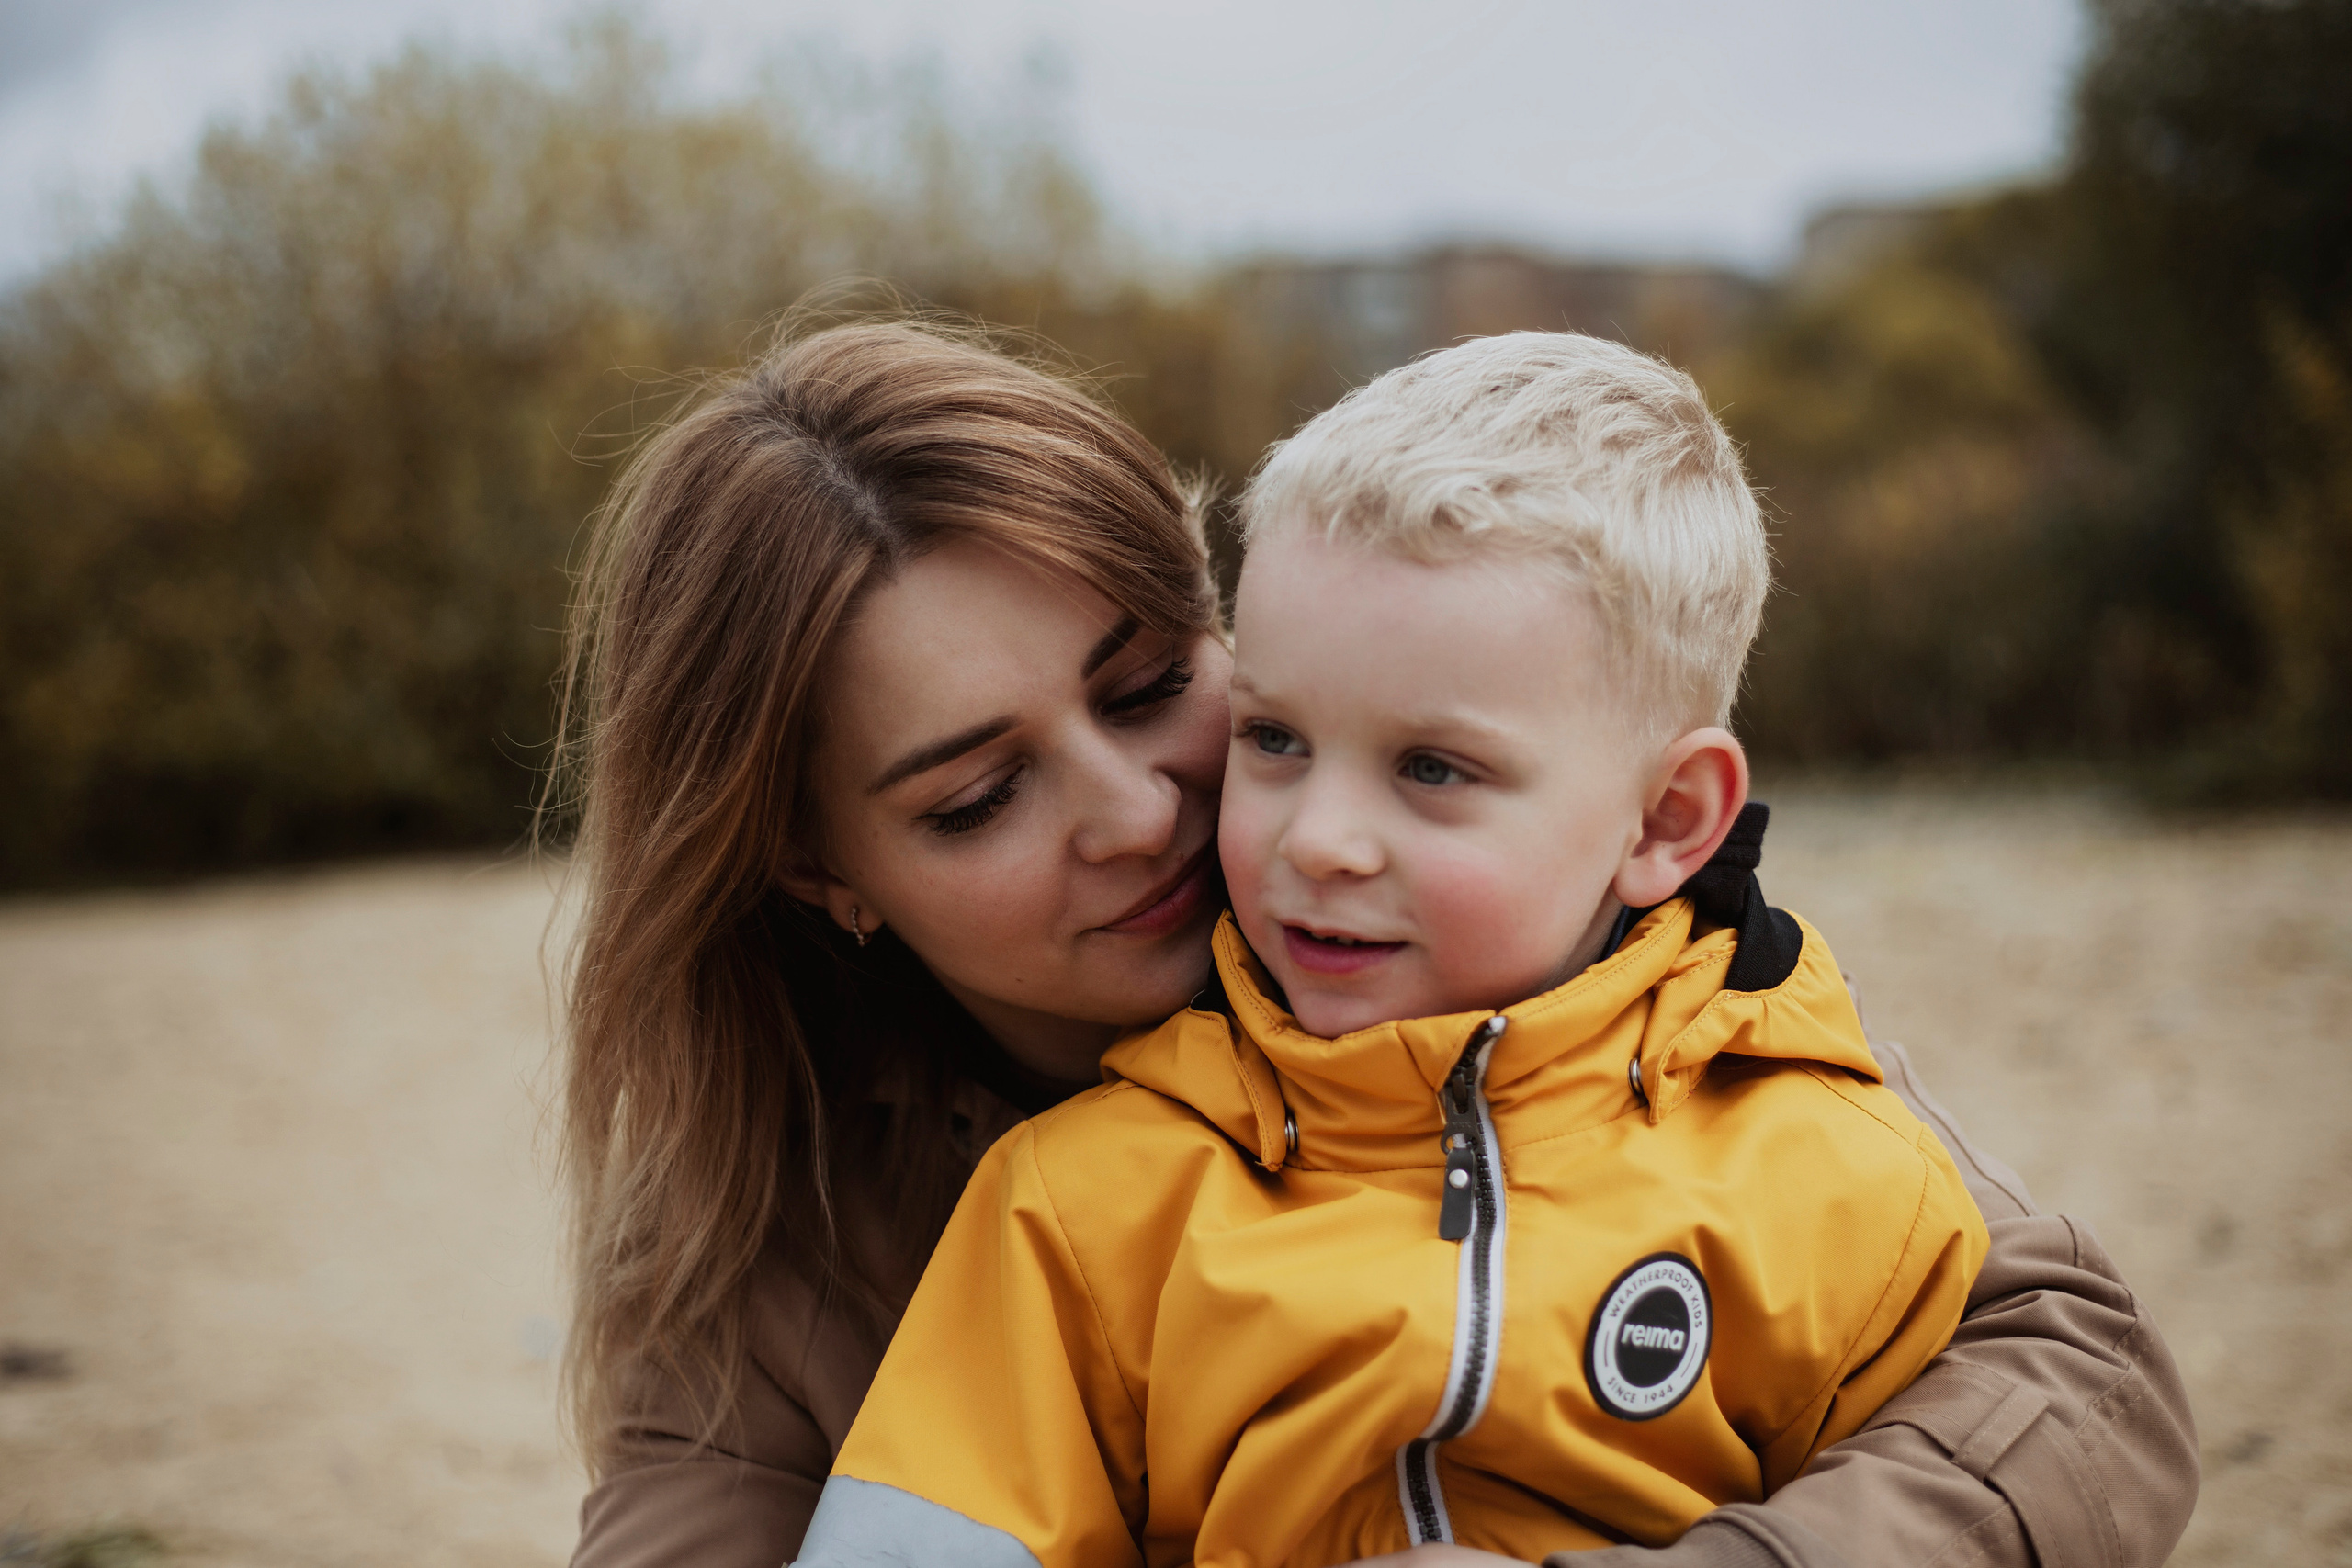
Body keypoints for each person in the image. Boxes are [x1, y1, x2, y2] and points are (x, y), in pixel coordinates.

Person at [557, 318, 2199, 1568]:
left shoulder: (1657, 1016)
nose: (1142, 811)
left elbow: (2073, 1367)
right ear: (815, 868)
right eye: (979, 796)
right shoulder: (793, 1264)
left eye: (1153, 690)